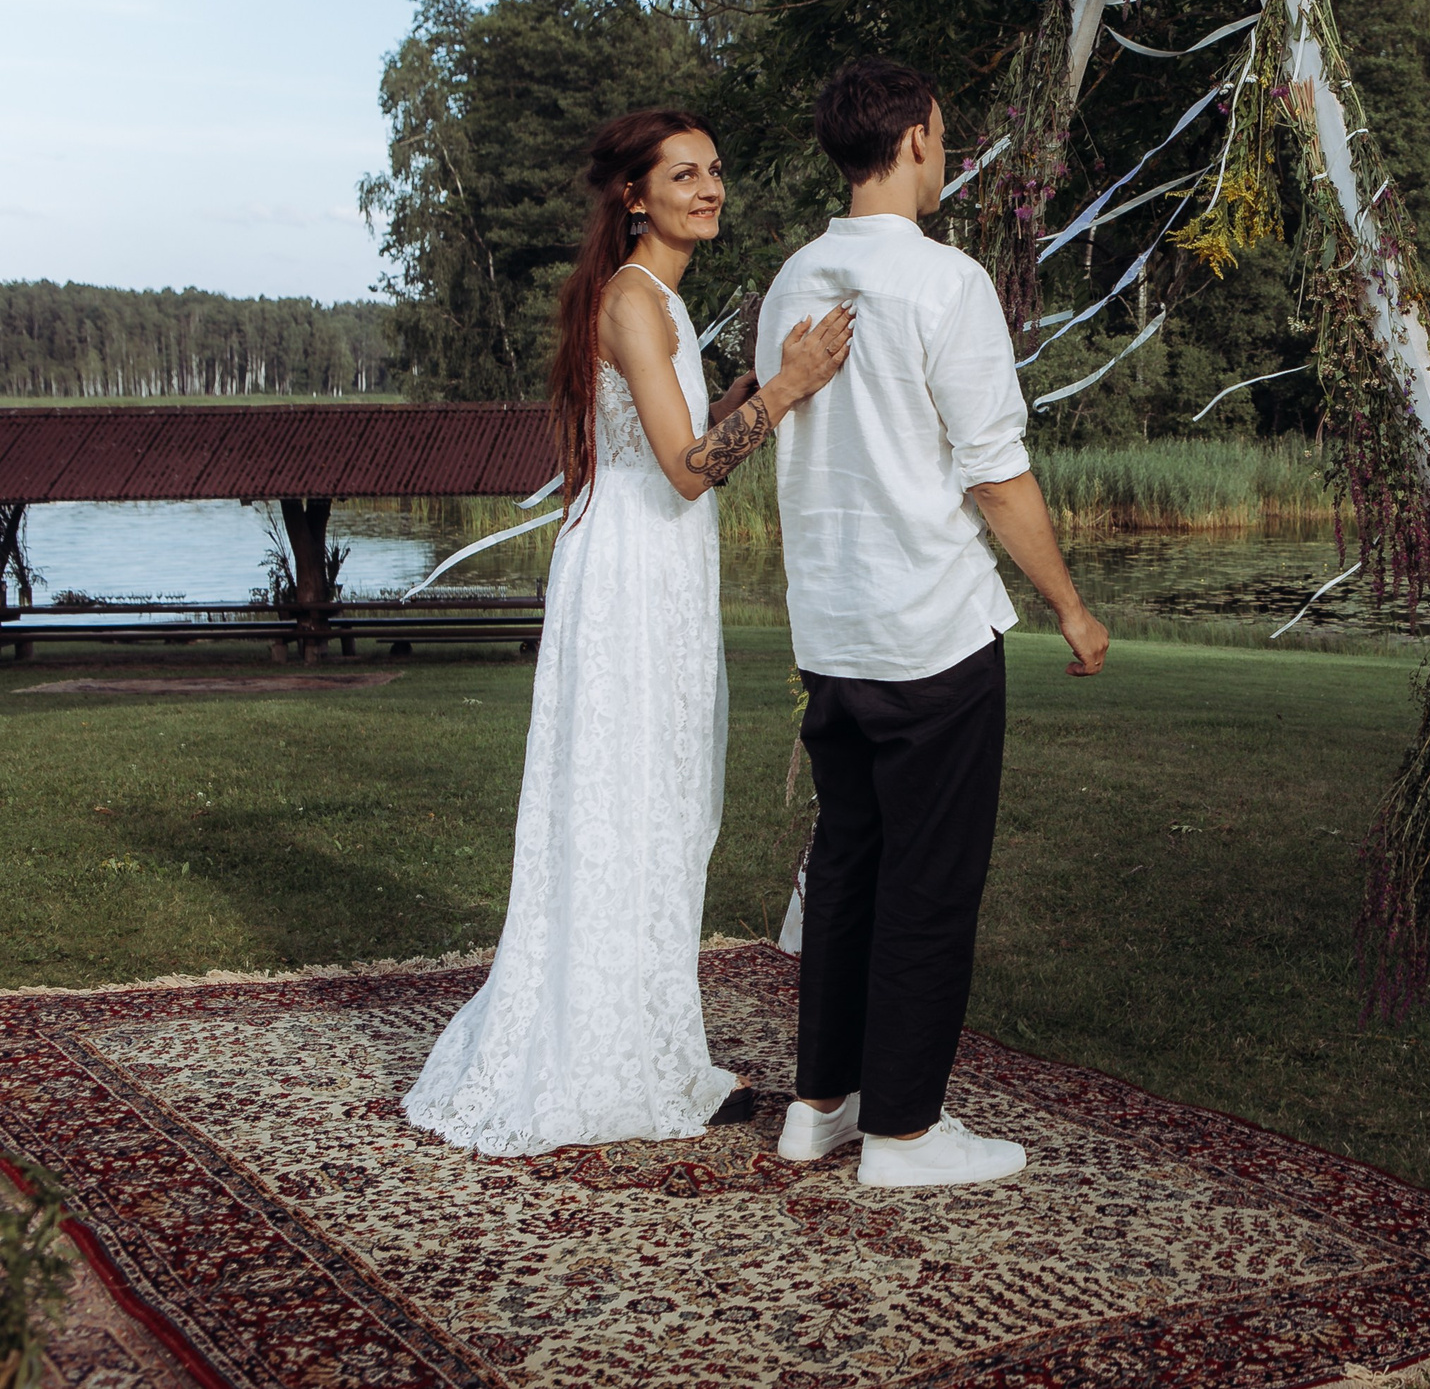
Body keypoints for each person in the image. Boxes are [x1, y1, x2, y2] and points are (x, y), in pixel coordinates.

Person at [405, 109, 855, 1155]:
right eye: (685, 174)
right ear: (634, 196)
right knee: (623, 803)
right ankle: (600, 1052)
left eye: (717, 170)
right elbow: (691, 472)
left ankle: (652, 1041)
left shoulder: (653, 301)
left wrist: (748, 389)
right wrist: (790, 387)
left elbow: (686, 450)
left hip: (656, 566)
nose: (711, 189)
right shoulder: (633, 305)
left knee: (660, 804)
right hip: (628, 577)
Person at [760, 58, 1110, 1187]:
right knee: (928, 882)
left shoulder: (790, 281)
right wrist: (1068, 604)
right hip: (929, 632)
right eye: (943, 135)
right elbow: (995, 474)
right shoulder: (944, 282)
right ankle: (905, 1131)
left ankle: (822, 1104)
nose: (947, 154)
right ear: (912, 139)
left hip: (833, 633)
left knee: (849, 867)